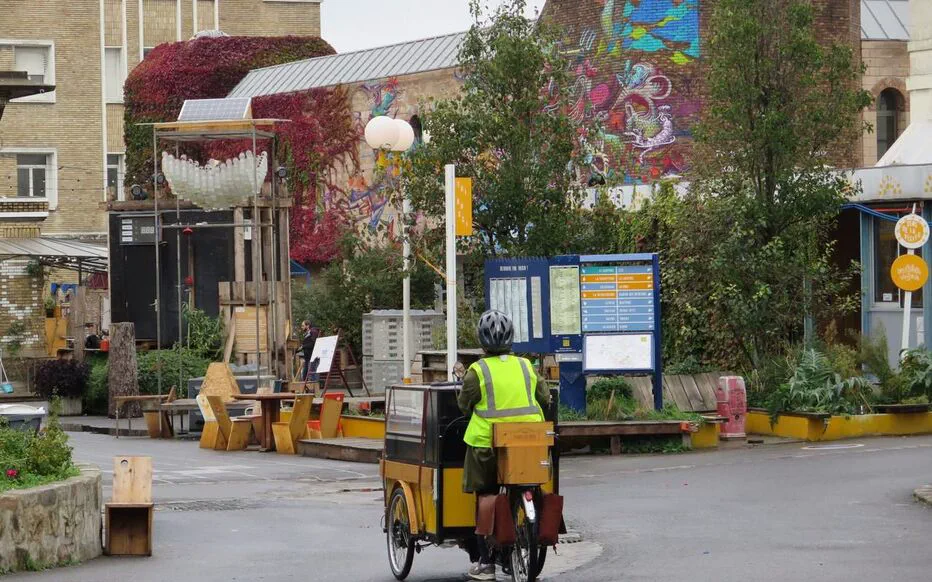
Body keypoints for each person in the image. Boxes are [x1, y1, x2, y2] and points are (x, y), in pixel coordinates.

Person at [457, 310, 550, 581]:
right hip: (530, 441)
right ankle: (520, 541)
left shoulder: (478, 370)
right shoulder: (526, 367)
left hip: (487, 444)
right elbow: (544, 398)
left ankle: (486, 563)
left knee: (485, 493)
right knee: (527, 484)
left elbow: (464, 406)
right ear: (511, 339)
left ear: (482, 342)